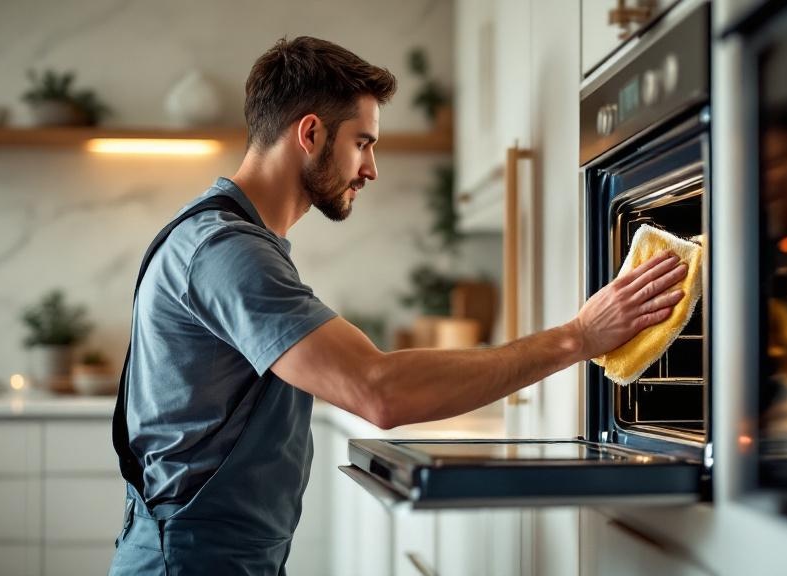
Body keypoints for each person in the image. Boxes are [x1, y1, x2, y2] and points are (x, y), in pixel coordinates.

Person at [108, 36, 687, 576]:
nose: (370, 168)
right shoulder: (229, 252)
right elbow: (378, 390)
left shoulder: (229, 240)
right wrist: (577, 337)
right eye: (362, 142)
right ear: (309, 134)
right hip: (189, 560)